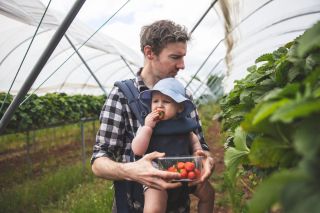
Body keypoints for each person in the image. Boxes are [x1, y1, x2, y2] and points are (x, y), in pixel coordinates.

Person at [91, 19, 215, 212]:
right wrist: (131, 170)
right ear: (150, 53)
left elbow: (200, 145)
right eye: (175, 57)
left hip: (179, 205)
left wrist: (205, 159)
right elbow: (99, 161)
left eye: (183, 57)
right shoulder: (122, 95)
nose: (182, 65)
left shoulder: (184, 97)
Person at [132, 77, 215, 213]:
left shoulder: (185, 126)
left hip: (185, 171)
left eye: (166, 101)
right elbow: (137, 150)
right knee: (154, 208)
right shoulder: (147, 126)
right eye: (155, 101)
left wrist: (198, 152)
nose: (159, 105)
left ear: (180, 107)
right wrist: (147, 128)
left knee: (208, 194)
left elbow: (194, 142)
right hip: (157, 175)